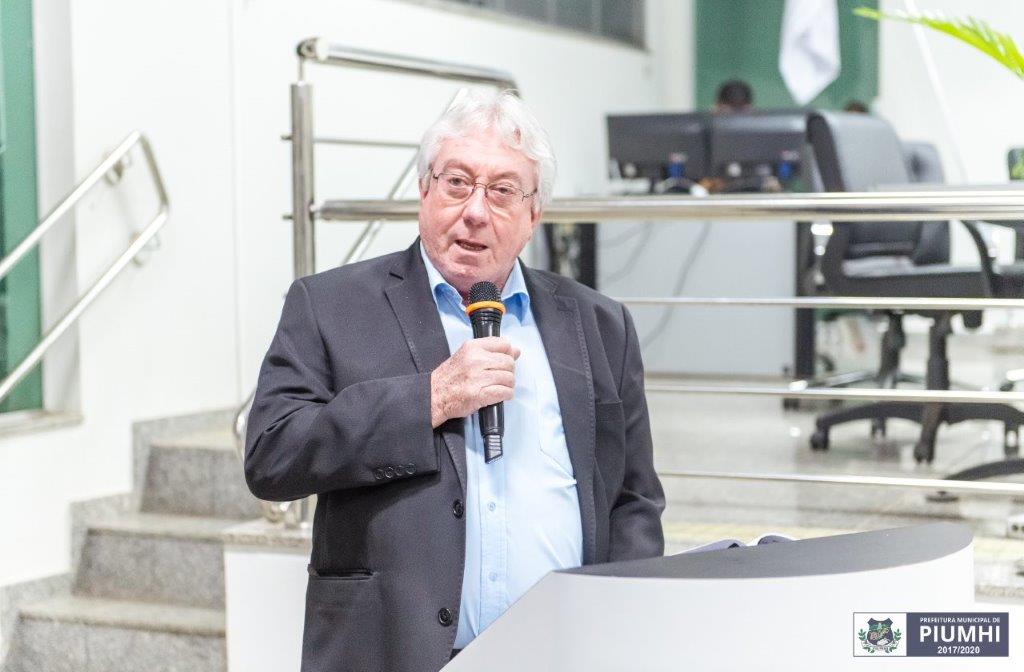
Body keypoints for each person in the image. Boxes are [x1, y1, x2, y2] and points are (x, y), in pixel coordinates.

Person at [244, 89, 665, 672]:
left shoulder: (600, 323)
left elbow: (632, 499)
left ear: (534, 214)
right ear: (424, 190)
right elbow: (272, 455)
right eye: (458, 183)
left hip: (561, 654)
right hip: (391, 654)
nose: (475, 211)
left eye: (502, 191)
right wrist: (429, 398)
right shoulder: (331, 305)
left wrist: (625, 622)